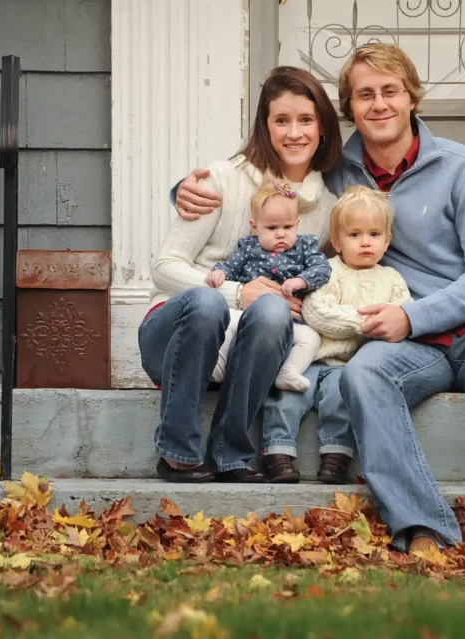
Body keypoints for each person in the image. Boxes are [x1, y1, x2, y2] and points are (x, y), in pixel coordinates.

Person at [172, 43, 465, 559]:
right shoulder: (335, 168)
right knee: (363, 376)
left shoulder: (464, 167)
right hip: (393, 338)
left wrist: (413, 314)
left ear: (411, 98)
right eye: (364, 95)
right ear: (349, 107)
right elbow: (265, 181)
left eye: (390, 91)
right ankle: (422, 527)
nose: (378, 104)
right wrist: (185, 189)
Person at [139, 66, 343, 483]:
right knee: (207, 300)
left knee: (272, 312)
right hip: (179, 338)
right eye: (281, 120)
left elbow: (316, 277)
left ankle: (230, 454)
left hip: (250, 351)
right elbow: (164, 267)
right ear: (264, 128)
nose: (294, 132)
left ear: (322, 126)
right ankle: (176, 452)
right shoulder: (219, 181)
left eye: (305, 119)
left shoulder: (326, 208)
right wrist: (236, 292)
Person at [261, 185, 414, 484]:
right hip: (312, 358)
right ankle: (278, 453)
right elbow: (318, 313)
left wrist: (381, 321)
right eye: (355, 235)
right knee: (287, 398)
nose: (365, 242)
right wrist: (367, 322)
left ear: (388, 240)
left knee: (340, 400)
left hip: (350, 364)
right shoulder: (325, 271)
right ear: (337, 241)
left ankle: (335, 458)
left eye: (374, 234)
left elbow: (399, 317)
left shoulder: (392, 278)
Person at [205, 178, 333, 393]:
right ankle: (217, 364)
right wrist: (219, 273)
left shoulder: (304, 246)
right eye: (272, 227)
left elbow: (322, 268)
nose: (281, 234)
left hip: (290, 322)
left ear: (297, 223)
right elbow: (231, 266)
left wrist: (301, 280)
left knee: (311, 339)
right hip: (246, 315)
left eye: (288, 226)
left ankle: (288, 372)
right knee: (226, 319)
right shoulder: (248, 248)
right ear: (255, 227)